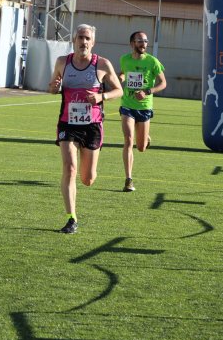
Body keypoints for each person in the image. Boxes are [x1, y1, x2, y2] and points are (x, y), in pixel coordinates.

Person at [48, 24, 123, 234]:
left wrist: (102, 96)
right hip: (68, 123)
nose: (84, 42)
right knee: (69, 168)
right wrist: (53, 87)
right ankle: (71, 218)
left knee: (87, 179)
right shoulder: (63, 62)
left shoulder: (103, 64)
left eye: (87, 38)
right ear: (74, 40)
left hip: (92, 125)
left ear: (93, 42)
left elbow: (119, 90)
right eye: (80, 37)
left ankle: (89, 160)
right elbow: (52, 86)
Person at [118, 31, 167, 192]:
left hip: (145, 107)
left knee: (141, 147)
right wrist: (121, 78)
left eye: (145, 41)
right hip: (127, 105)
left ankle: (145, 139)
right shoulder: (125, 59)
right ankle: (128, 179)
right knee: (128, 140)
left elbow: (163, 83)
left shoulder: (153, 62)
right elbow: (123, 72)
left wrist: (147, 91)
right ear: (132, 43)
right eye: (140, 41)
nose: (143, 44)